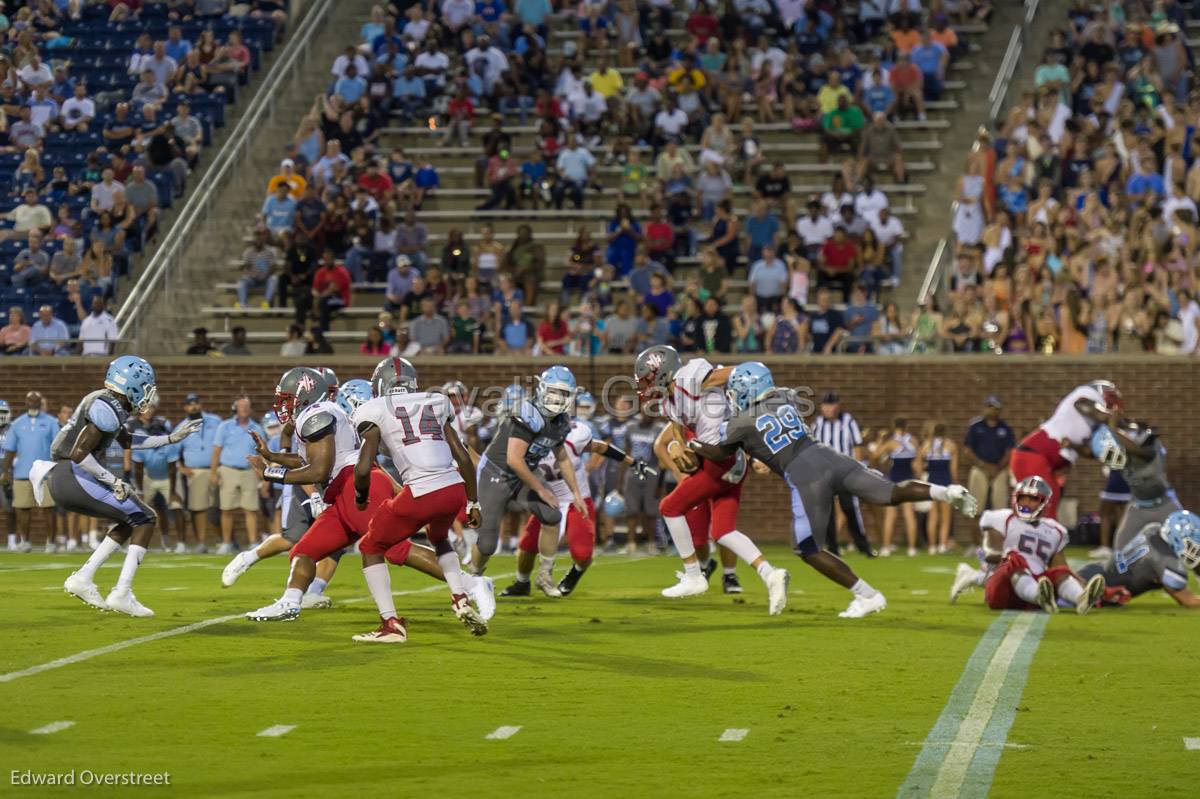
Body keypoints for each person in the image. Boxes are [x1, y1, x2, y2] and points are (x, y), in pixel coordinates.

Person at [689, 362, 976, 618]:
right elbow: (767, 431)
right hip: (830, 456)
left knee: (807, 548)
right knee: (889, 492)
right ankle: (945, 492)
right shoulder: (787, 396)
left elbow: (719, 453)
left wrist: (691, 443)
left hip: (804, 474)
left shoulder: (740, 422)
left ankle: (867, 596)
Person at [242, 363, 494, 634]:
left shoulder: (316, 415)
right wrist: (273, 457)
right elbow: (313, 460)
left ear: (304, 395)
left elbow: (319, 469)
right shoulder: (325, 413)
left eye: (287, 399)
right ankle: (290, 603)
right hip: (341, 492)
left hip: (356, 487)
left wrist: (272, 473)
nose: (284, 406)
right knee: (304, 551)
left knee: (392, 549)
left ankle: (467, 585)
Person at [634, 346, 788, 609]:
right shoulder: (670, 400)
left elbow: (734, 374)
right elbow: (678, 426)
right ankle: (771, 574)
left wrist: (757, 390)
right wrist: (679, 445)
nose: (646, 386)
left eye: (648, 377)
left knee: (670, 507)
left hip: (721, 457)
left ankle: (694, 575)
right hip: (731, 462)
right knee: (723, 531)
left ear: (662, 371)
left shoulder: (689, 375)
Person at [53, 357, 203, 616]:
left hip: (66, 476)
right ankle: (122, 592)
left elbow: (127, 440)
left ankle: (84, 578)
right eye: (146, 386)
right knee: (146, 518)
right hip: (73, 473)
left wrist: (169, 438)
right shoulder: (107, 408)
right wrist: (112, 480)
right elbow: (79, 453)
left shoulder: (110, 403)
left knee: (134, 518)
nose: (148, 393)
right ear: (131, 384)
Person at [501, 413, 654, 598]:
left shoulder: (574, 437)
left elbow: (601, 447)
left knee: (582, 554)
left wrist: (633, 462)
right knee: (527, 547)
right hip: (548, 500)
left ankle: (574, 574)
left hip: (578, 500)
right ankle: (521, 583)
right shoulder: (523, 445)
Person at [470, 366, 587, 576]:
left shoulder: (561, 421)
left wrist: (576, 494)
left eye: (563, 393)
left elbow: (562, 458)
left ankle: (545, 574)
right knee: (487, 543)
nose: (557, 398)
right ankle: (472, 577)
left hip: (526, 472)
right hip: (497, 473)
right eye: (553, 391)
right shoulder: (527, 413)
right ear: (542, 389)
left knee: (552, 516)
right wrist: (541, 490)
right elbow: (514, 460)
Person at [968, 477, 1105, 615]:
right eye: (1022, 498)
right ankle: (1039, 596)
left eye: (1033, 499)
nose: (1026, 503)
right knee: (1014, 559)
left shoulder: (1055, 530)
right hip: (1002, 588)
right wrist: (1010, 558)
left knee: (1061, 573)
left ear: (1045, 503)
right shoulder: (1001, 519)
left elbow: (1060, 568)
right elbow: (989, 555)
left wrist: (1081, 584)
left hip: (1036, 585)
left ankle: (1080, 599)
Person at [1008, 381, 1122, 520]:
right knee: (1044, 504)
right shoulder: (1086, 395)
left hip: (1044, 461)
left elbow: (1089, 452)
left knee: (1041, 507)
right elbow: (1082, 405)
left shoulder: (1092, 423)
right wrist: (1108, 417)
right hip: (1033, 454)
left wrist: (1076, 446)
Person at [1077, 510, 1200, 608]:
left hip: (1096, 570)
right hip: (1095, 587)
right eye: (1191, 544)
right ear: (1176, 537)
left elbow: (1164, 580)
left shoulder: (1154, 530)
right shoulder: (1166, 560)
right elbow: (1188, 601)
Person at [811, 392, 874, 556]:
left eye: (832, 404)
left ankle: (863, 545)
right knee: (827, 511)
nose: (829, 408)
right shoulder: (817, 424)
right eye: (826, 405)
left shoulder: (848, 421)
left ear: (838, 406)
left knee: (849, 508)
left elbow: (857, 445)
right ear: (821, 407)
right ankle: (832, 547)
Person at [1, 392, 59, 552]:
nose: (33, 403)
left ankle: (51, 543)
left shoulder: (51, 422)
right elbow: (10, 450)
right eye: (30, 400)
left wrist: (57, 467)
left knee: (48, 508)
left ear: (40, 402)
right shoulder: (17, 424)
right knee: (22, 508)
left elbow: (57, 446)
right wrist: (5, 471)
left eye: (36, 400)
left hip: (46, 473)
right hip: (22, 472)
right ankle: (25, 541)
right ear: (26, 402)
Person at [210, 396, 265, 555]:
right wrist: (214, 472)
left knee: (251, 509)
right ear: (236, 408)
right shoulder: (225, 426)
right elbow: (216, 450)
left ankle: (253, 542)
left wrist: (263, 473)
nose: (244, 409)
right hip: (228, 470)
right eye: (241, 406)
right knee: (226, 509)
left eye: (247, 406)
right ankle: (226, 543)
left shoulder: (257, 428)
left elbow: (262, 452)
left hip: (249, 471)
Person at [875, 417, 919, 557]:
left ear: (894, 426)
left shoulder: (891, 443)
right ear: (907, 425)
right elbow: (917, 464)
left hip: (894, 481)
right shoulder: (914, 441)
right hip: (909, 480)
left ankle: (886, 548)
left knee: (890, 515)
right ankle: (911, 548)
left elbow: (876, 455)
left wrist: (881, 440)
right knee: (909, 514)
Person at [963, 395, 1013, 513]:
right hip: (979, 468)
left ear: (999, 410)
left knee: (1001, 508)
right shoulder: (976, 427)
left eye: (994, 407)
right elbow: (967, 450)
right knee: (974, 509)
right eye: (988, 406)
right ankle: (976, 531)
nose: (990, 410)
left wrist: (998, 467)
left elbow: (1009, 451)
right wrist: (983, 466)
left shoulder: (1005, 428)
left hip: (999, 470)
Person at [919, 422, 960, 554]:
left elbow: (917, 462)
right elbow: (953, 470)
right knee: (945, 517)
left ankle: (932, 546)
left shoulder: (926, 445)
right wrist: (956, 483)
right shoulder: (951, 446)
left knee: (933, 516)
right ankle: (942, 545)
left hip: (931, 483)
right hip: (945, 483)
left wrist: (921, 475)